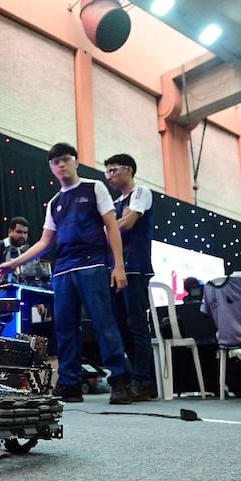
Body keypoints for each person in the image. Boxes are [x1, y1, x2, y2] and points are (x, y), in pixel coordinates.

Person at [0, 142, 132, 404]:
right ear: (51, 168)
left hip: (92, 265)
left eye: (65, 159)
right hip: (63, 271)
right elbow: (45, 242)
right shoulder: (55, 202)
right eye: (56, 162)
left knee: (104, 323)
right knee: (65, 328)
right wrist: (13, 263)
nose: (61, 165)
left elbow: (112, 228)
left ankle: (120, 380)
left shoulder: (95, 188)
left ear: (75, 161)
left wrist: (118, 266)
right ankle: (69, 383)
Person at [104, 153, 155, 401]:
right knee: (121, 327)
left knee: (136, 325)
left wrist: (112, 226)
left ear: (128, 169)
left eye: (113, 170)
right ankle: (137, 376)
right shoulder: (114, 203)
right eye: (107, 172)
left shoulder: (141, 193)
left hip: (135, 267)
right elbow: (115, 226)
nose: (109, 176)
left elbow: (126, 225)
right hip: (114, 268)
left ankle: (144, 381)